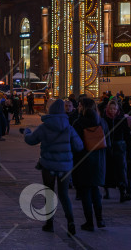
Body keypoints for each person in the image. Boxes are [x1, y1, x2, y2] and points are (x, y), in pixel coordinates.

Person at [23, 99, 84, 235]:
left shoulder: (44, 127)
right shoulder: (68, 127)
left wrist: (26, 132)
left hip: (48, 165)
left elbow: (31, 140)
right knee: (64, 195)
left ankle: (49, 223)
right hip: (65, 166)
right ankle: (71, 222)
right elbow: (79, 146)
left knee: (49, 194)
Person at [72, 97, 109, 232]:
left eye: (80, 105)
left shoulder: (78, 123)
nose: (78, 108)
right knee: (95, 191)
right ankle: (100, 220)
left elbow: (75, 145)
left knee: (85, 193)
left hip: (83, 162)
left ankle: (89, 222)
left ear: (84, 107)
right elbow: (107, 144)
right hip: (98, 162)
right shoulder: (102, 123)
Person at [102, 100, 130, 202]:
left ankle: (123, 192)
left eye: (114, 109)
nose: (112, 111)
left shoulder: (121, 119)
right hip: (108, 148)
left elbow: (127, 135)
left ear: (117, 109)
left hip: (119, 147)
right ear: (107, 109)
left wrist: (129, 148)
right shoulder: (104, 120)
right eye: (111, 109)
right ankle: (107, 191)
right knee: (107, 170)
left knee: (121, 171)